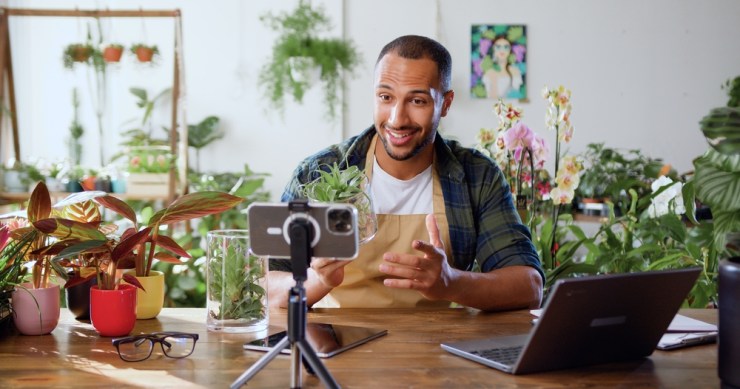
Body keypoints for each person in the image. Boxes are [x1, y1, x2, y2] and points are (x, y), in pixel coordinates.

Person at [269, 35, 543, 312]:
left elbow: (529, 286)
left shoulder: (477, 176)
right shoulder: (317, 174)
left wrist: (451, 283)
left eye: (418, 101)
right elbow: (266, 285)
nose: (397, 118)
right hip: (334, 347)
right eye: (385, 97)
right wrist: (318, 279)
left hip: (438, 347)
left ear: (446, 104)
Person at [481, 35, 523, 99]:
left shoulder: (515, 71)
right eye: (498, 47)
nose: (502, 50)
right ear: (493, 50)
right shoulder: (489, 72)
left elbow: (516, 96)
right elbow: (490, 97)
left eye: (506, 47)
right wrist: (493, 80)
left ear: (510, 50)